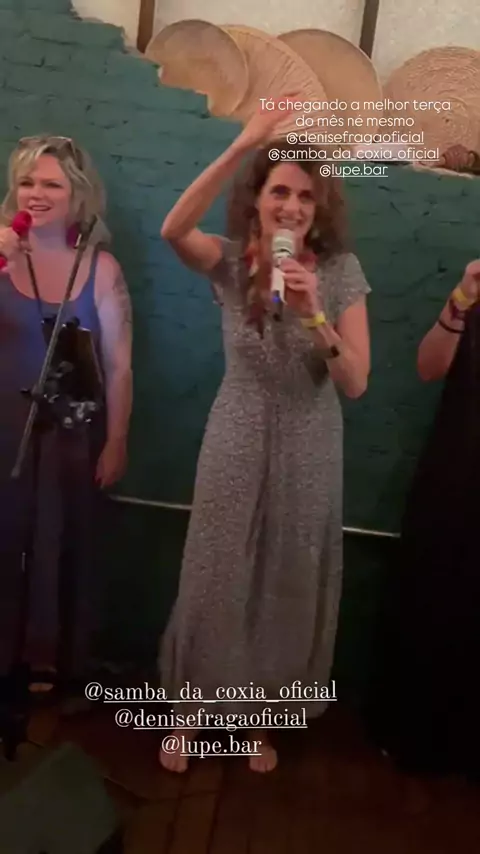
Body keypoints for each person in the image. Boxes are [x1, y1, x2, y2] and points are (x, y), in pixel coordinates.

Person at [158, 99, 371, 773]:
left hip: (310, 440)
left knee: (286, 577)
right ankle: (191, 709)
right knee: (215, 570)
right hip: (238, 429)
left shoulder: (340, 273)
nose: (293, 205)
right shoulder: (228, 263)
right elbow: (172, 229)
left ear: (319, 207)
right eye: (280, 190)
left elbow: (356, 382)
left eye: (306, 196)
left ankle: (259, 716)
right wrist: (241, 145)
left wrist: (315, 316)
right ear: (257, 199)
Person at [0, 135, 133, 697]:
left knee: (58, 540)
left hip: (71, 433)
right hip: (5, 427)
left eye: (51, 184)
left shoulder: (101, 270)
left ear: (77, 195)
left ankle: (48, 657)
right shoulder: (1, 254)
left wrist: (117, 439)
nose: (36, 193)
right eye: (27, 182)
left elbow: (119, 365)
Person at [366, 259, 480, 781]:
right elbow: (428, 366)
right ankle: (413, 737)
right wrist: (462, 298)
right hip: (456, 470)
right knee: (435, 597)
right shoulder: (472, 296)